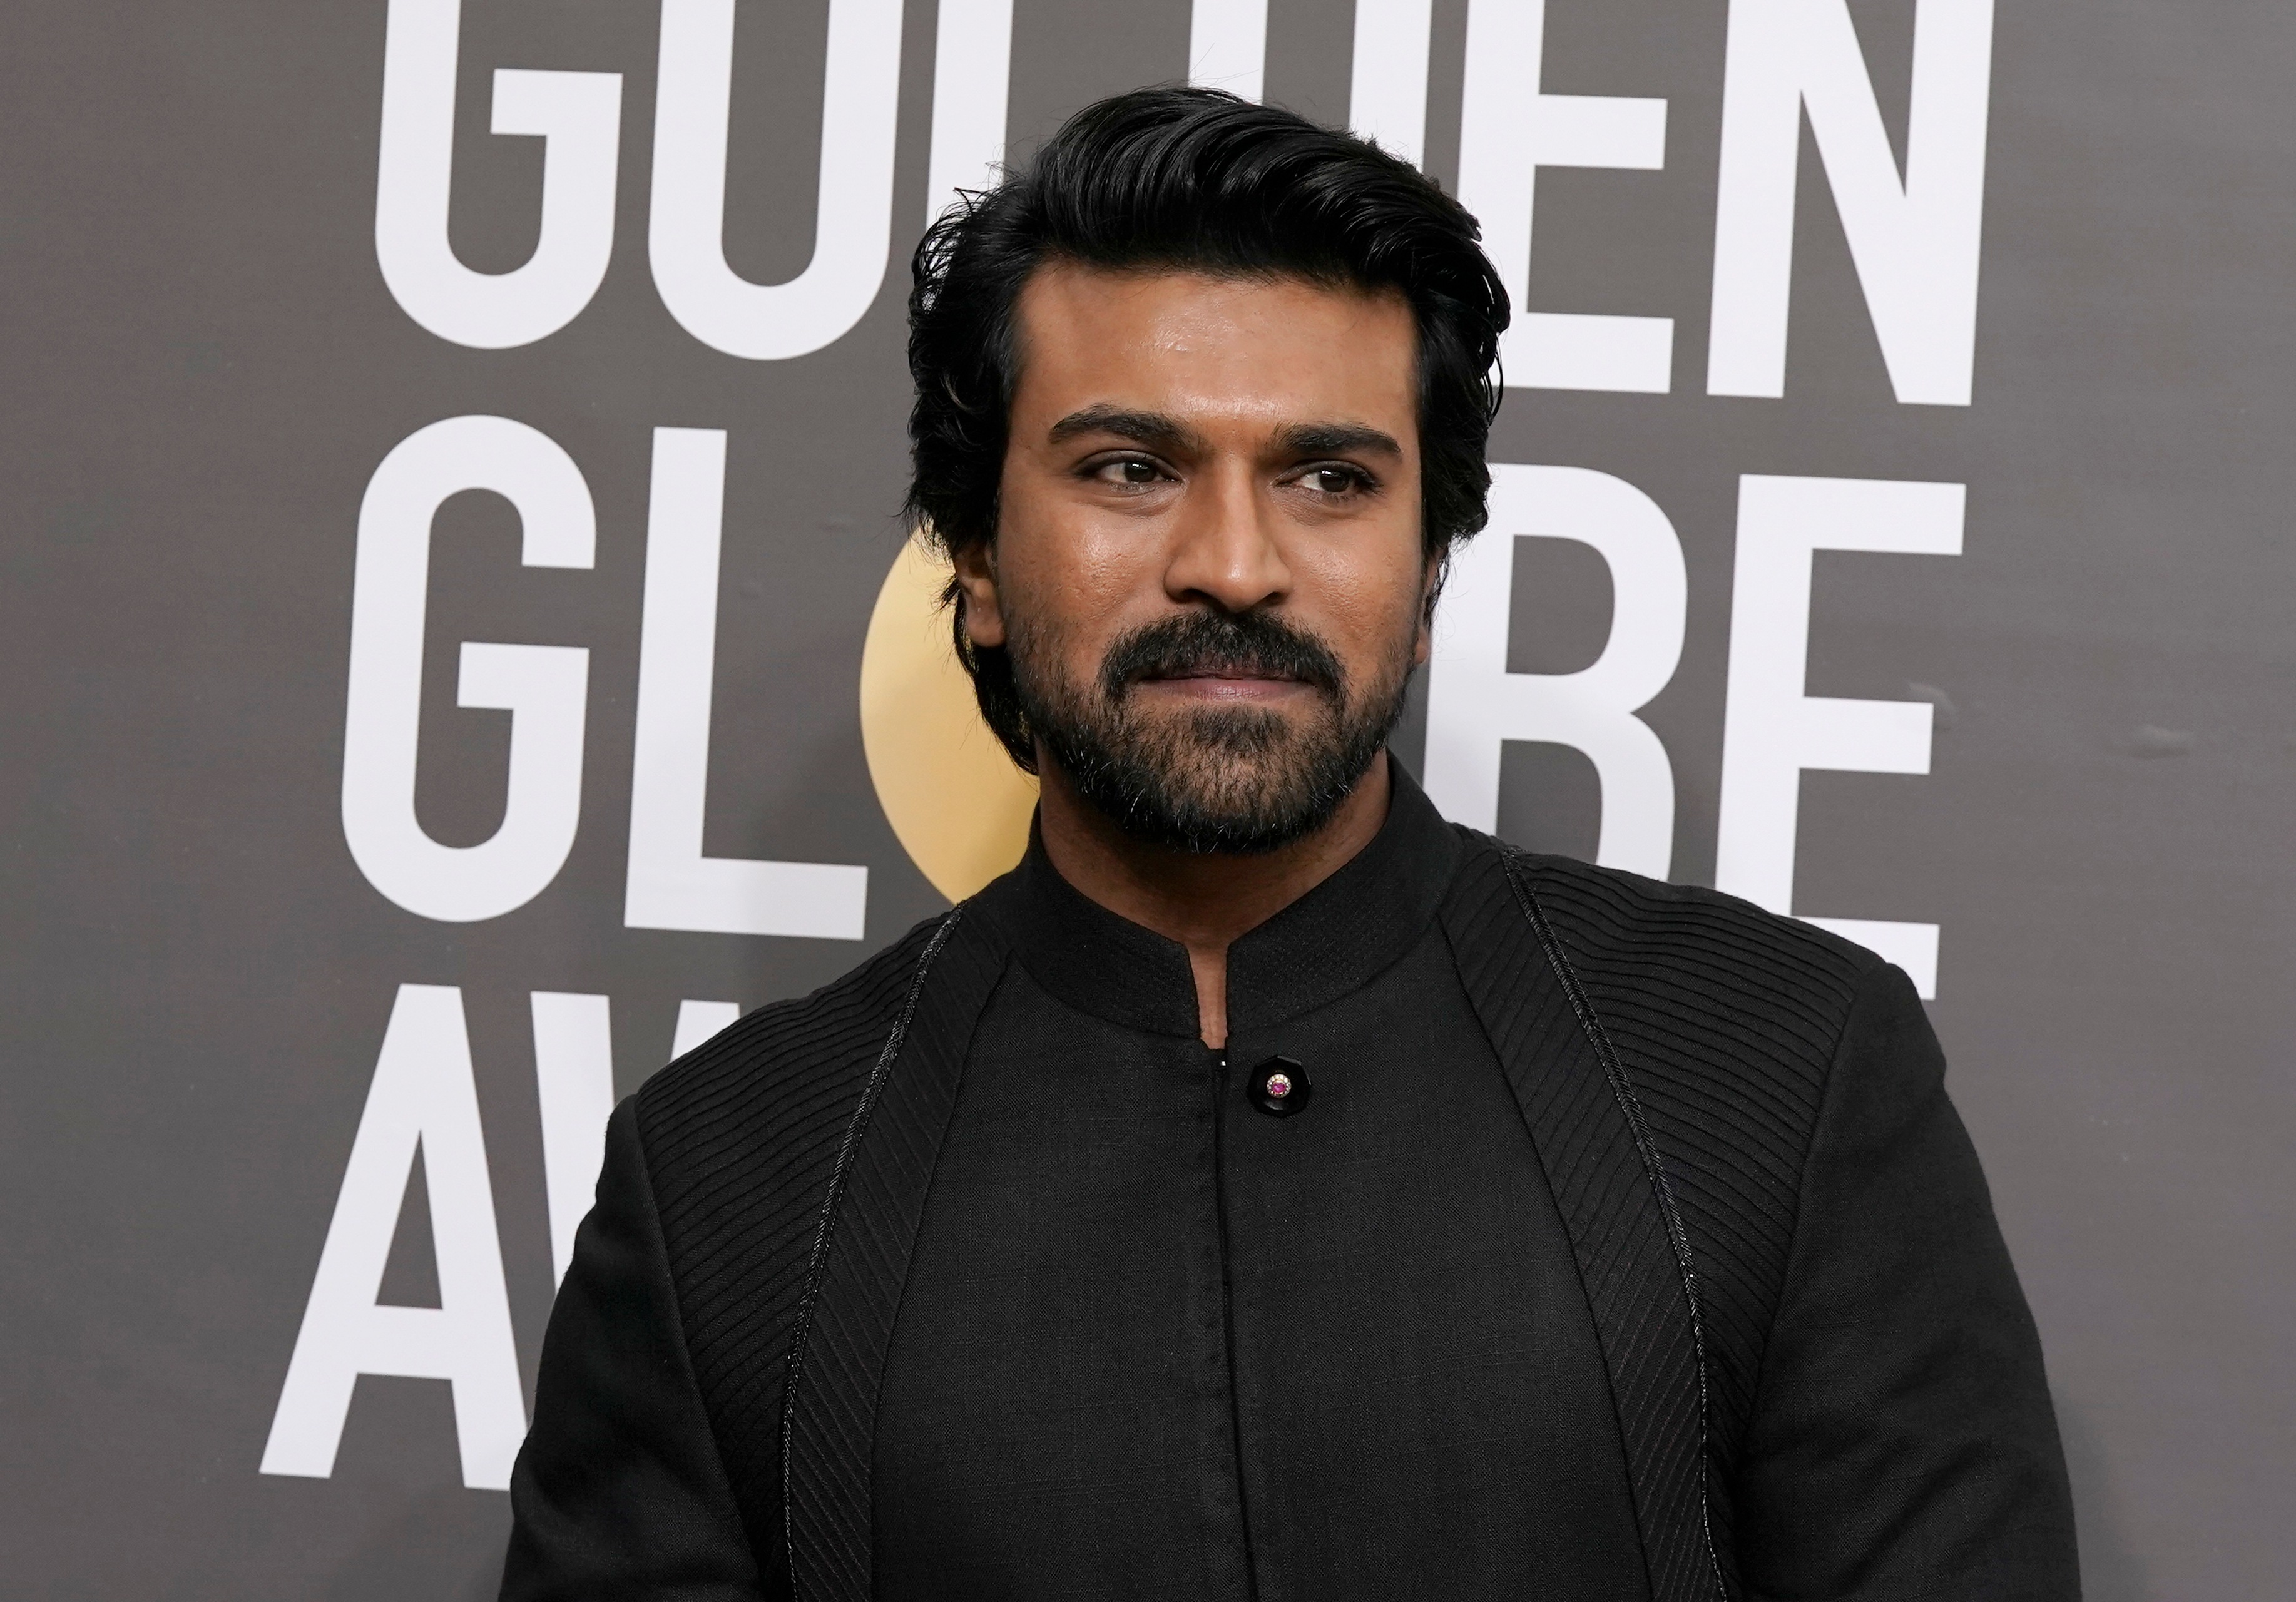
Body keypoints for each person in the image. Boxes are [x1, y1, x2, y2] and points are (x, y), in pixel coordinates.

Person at [501, 87, 2078, 1601]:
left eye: (1329, 477)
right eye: (1129, 468)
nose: (1234, 565)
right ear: (974, 552)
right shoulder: (726, 1179)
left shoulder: (1780, 1074)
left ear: (1430, 554)